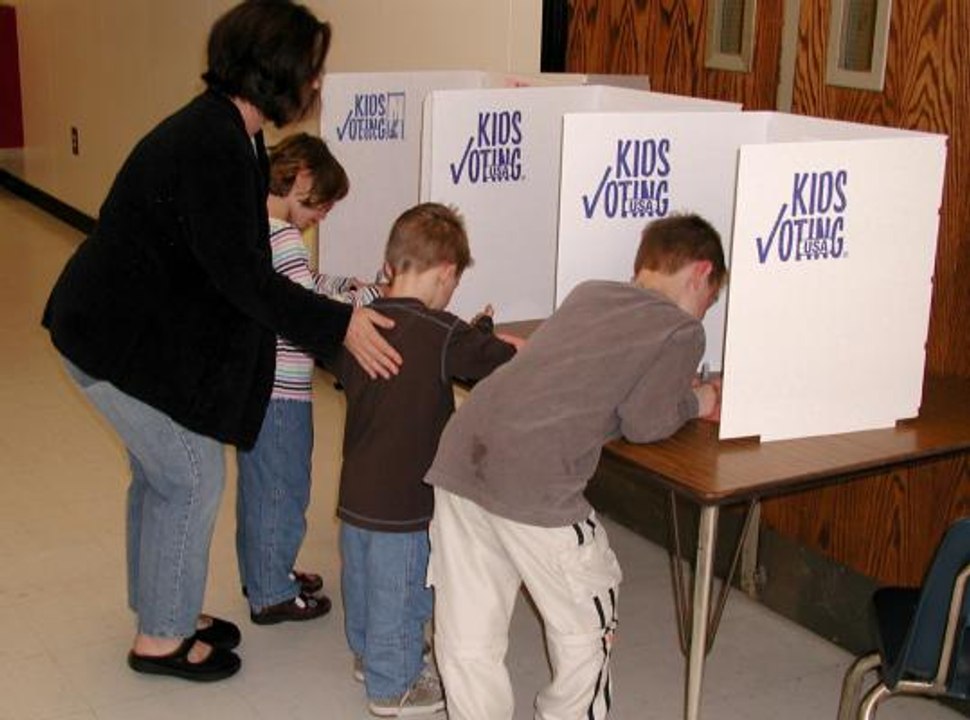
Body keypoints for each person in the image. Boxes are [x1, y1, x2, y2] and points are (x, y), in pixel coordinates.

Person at [41, 0, 400, 683]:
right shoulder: (212, 143)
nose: (317, 85)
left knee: (162, 475)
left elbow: (233, 271)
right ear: (277, 72)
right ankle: (161, 639)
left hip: (117, 331)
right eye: (311, 71)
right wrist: (340, 325)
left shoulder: (231, 133)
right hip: (110, 340)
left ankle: (162, 606)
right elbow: (247, 279)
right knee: (191, 476)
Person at [425, 213, 727, 719]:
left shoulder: (589, 293)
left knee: (469, 636)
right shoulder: (680, 330)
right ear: (700, 272)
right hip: (535, 479)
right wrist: (701, 398)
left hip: (461, 454)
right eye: (711, 299)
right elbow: (647, 421)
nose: (705, 311)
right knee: (586, 626)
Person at [328, 203, 522, 717]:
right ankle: (395, 685)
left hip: (356, 491)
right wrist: (507, 347)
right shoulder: (442, 332)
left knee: (363, 581)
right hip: (406, 499)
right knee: (404, 588)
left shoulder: (357, 326)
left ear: (392, 264)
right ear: (447, 274)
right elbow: (495, 364)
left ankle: (371, 658)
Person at [236, 132, 383, 624]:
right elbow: (308, 310)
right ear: (300, 179)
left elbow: (306, 286)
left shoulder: (259, 232)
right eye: (322, 204)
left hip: (261, 388)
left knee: (262, 490)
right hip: (281, 394)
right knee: (283, 489)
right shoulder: (282, 237)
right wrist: (373, 297)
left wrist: (347, 285)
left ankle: (264, 571)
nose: (324, 216)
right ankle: (272, 592)